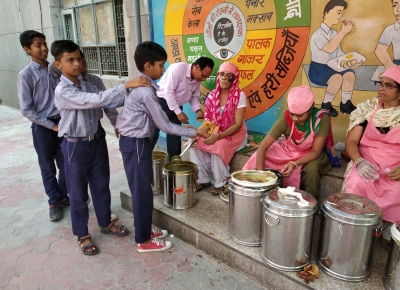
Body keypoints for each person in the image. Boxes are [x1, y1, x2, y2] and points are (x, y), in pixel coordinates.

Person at [51, 40, 147, 255]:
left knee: (102, 184)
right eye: (70, 60)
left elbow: (108, 102)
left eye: (79, 59)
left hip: (96, 141)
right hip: (75, 145)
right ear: (58, 65)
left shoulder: (86, 84)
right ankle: (82, 234)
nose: (77, 64)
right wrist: (126, 85)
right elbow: (94, 100)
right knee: (77, 192)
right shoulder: (63, 90)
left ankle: (105, 222)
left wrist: (136, 95)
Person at [116, 41, 210, 252]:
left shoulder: (149, 85)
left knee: (145, 189)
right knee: (141, 192)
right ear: (148, 66)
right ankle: (144, 241)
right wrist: (195, 131)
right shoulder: (146, 92)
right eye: (160, 65)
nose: (163, 70)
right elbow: (165, 125)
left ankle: (146, 229)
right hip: (136, 144)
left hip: (136, 142)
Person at [242, 86, 340, 199]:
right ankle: (250, 189)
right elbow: (262, 147)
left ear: (310, 109)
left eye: (299, 115)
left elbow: (316, 151)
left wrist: (294, 164)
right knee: (259, 156)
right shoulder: (286, 118)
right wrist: (261, 176)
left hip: (312, 153)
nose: (294, 118)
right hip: (289, 151)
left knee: (311, 170)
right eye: (292, 113)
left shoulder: (321, 118)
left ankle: (310, 204)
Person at [342, 66, 400, 242]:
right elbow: (351, 142)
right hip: (367, 159)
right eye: (381, 84)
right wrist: (359, 162)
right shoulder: (367, 109)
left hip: (395, 164)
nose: (381, 88)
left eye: (389, 85)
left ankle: (391, 226)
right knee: (357, 182)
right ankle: (358, 225)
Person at [17, 30, 68, 222]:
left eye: (44, 43)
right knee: (48, 167)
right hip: (43, 127)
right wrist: (50, 125)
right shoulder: (26, 75)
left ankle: (63, 196)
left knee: (66, 164)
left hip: (63, 123)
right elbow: (26, 109)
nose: (44, 48)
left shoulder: (55, 69)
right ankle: (54, 202)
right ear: (27, 49)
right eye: (38, 45)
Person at [189, 62, 247, 202]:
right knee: (194, 143)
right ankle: (203, 178)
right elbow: (208, 120)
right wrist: (198, 133)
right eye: (221, 74)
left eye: (229, 76)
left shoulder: (239, 96)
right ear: (218, 76)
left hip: (235, 134)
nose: (224, 78)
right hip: (216, 131)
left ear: (234, 78)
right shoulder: (212, 95)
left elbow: (238, 124)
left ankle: (223, 181)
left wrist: (219, 136)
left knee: (218, 146)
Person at [150, 56, 214, 160]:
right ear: (197, 67)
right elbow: (168, 92)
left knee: (175, 137)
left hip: (176, 106)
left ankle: (174, 167)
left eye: (205, 77)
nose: (203, 79)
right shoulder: (178, 69)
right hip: (161, 104)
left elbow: (194, 97)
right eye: (203, 75)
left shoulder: (197, 80)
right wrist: (178, 112)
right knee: (152, 135)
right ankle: (144, 163)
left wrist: (198, 109)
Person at [309, 0, 361, 117]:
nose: (340, 15)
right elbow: (330, 48)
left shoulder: (334, 33)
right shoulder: (318, 34)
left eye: (341, 12)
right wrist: (343, 32)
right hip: (318, 69)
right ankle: (326, 104)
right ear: (326, 13)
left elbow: (338, 52)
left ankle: (345, 104)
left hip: (333, 66)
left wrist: (349, 62)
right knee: (337, 78)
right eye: (338, 12)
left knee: (350, 74)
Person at [375, 0, 400, 68]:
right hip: (397, 64)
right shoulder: (390, 29)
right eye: (395, 5)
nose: (398, 10)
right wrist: (390, 65)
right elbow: (380, 50)